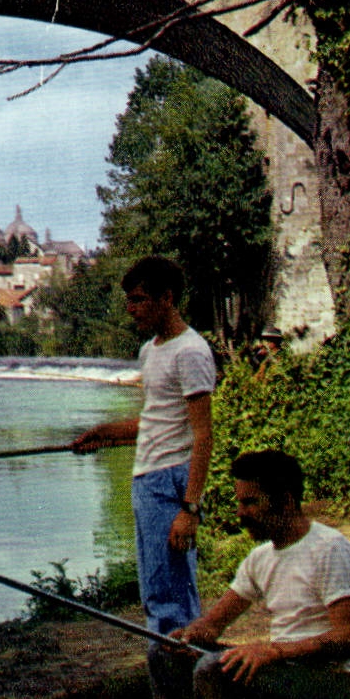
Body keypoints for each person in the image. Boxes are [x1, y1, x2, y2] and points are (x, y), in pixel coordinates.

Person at [148, 449, 350, 699]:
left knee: (212, 669)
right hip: (286, 675)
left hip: (333, 682)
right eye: (240, 503)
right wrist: (192, 634)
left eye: (250, 503)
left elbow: (347, 637)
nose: (240, 514)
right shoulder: (260, 559)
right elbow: (213, 625)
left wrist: (275, 651)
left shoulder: (330, 550)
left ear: (284, 501)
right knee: (164, 655)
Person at [73, 256, 215, 637]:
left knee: (170, 601)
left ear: (166, 298)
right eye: (128, 300)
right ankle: (177, 682)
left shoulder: (191, 352)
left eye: (138, 299)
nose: (130, 309)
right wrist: (105, 433)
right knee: (157, 591)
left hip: (171, 482)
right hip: (146, 481)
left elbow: (203, 434)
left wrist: (190, 508)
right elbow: (153, 422)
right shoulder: (150, 351)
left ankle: (181, 682)